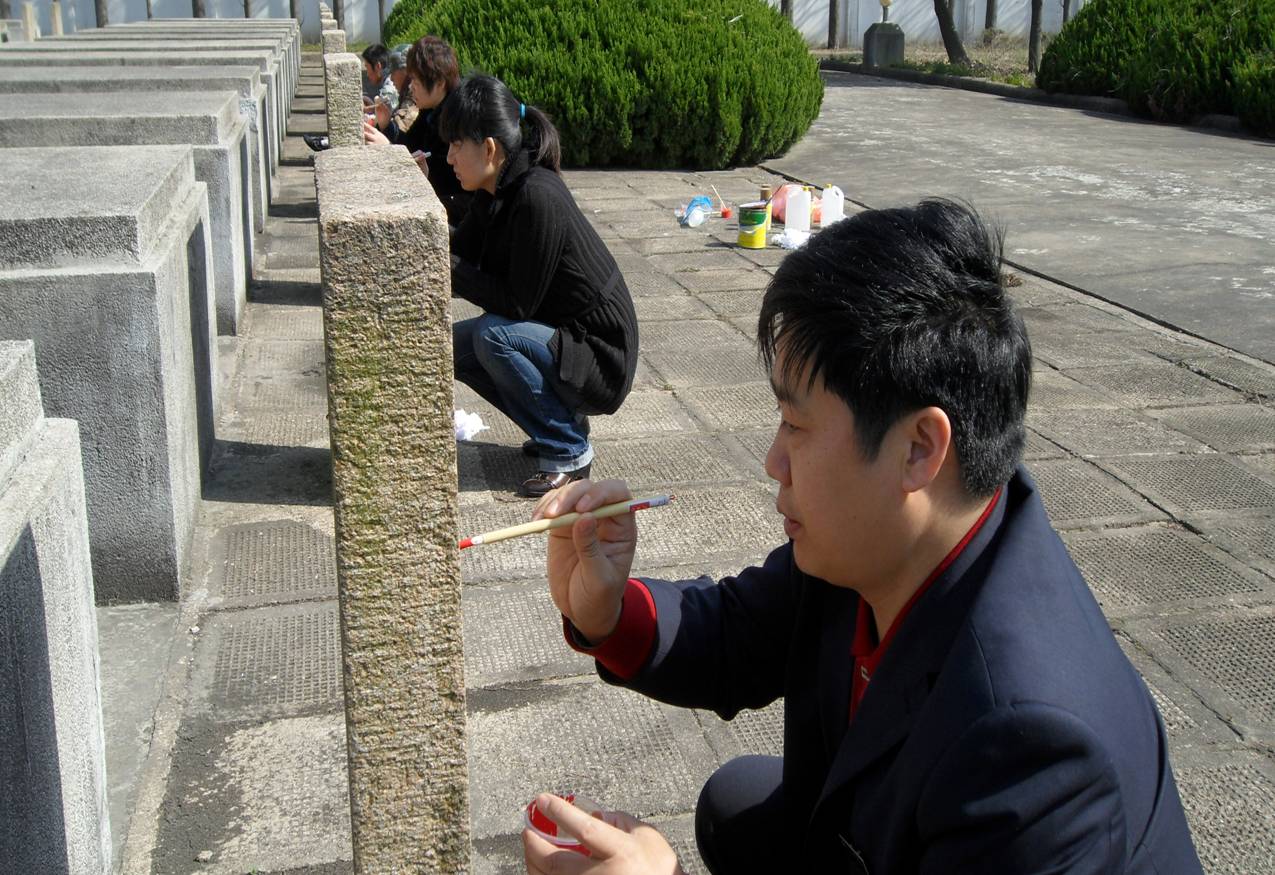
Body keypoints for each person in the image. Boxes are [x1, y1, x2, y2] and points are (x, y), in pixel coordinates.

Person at [523, 200, 1203, 873]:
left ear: (918, 447)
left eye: (796, 424)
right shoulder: (892, 539)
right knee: (737, 804)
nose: (772, 461)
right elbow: (740, 629)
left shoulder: (1028, 749)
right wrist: (604, 611)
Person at [441, 75, 638, 498]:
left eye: (457, 144)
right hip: (564, 341)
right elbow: (461, 253)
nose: (449, 156)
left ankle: (567, 450)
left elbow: (516, 303)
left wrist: (452, 266)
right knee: (452, 347)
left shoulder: (536, 196)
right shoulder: (496, 192)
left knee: (493, 335)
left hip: (600, 356)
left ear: (489, 147)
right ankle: (552, 423)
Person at [363, 35, 471, 225]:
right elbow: (411, 146)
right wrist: (387, 125)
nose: (411, 88)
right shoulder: (431, 110)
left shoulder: (458, 116)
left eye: (416, 81)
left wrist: (389, 148)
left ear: (439, 83)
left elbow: (444, 174)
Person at [360, 43, 398, 109]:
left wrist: (364, 109)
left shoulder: (389, 87)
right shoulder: (387, 80)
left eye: (367, 67)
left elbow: (384, 110)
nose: (367, 74)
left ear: (378, 66)